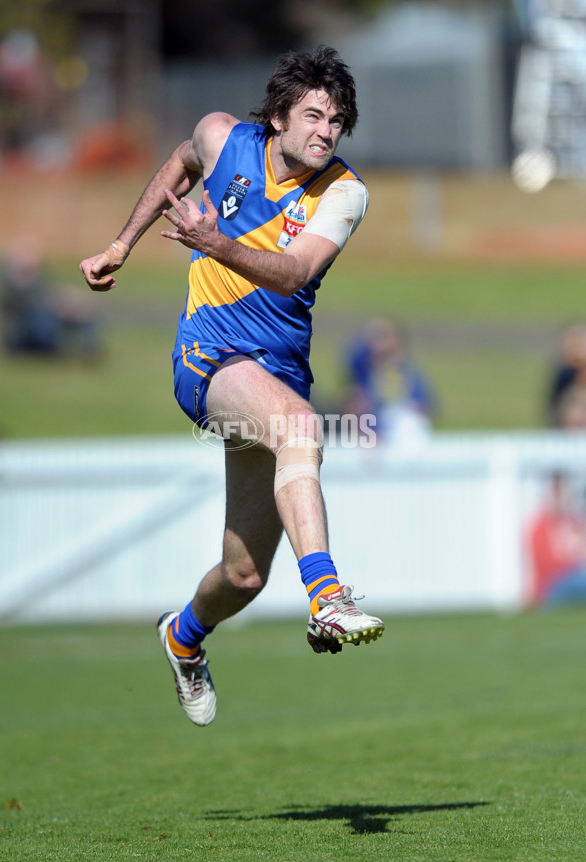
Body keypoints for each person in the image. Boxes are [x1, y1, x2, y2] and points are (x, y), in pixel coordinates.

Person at [79, 45, 384, 727]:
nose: (325, 131)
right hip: (207, 359)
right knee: (302, 428)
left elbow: (294, 273)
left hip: (273, 375)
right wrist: (123, 244)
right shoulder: (222, 137)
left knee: (244, 576)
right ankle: (329, 598)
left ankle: (183, 635)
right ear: (278, 116)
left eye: (336, 121)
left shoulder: (343, 193)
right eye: (313, 115)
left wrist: (216, 244)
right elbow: (180, 163)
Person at [342, 316, 436, 447]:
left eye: (383, 337)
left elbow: (426, 405)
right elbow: (355, 407)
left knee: (408, 423)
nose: (379, 345)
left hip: (403, 431)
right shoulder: (363, 371)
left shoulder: (408, 372)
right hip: (372, 435)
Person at [526, 470, 586, 606]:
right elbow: (547, 565)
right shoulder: (541, 525)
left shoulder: (574, 523)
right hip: (551, 589)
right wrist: (573, 557)